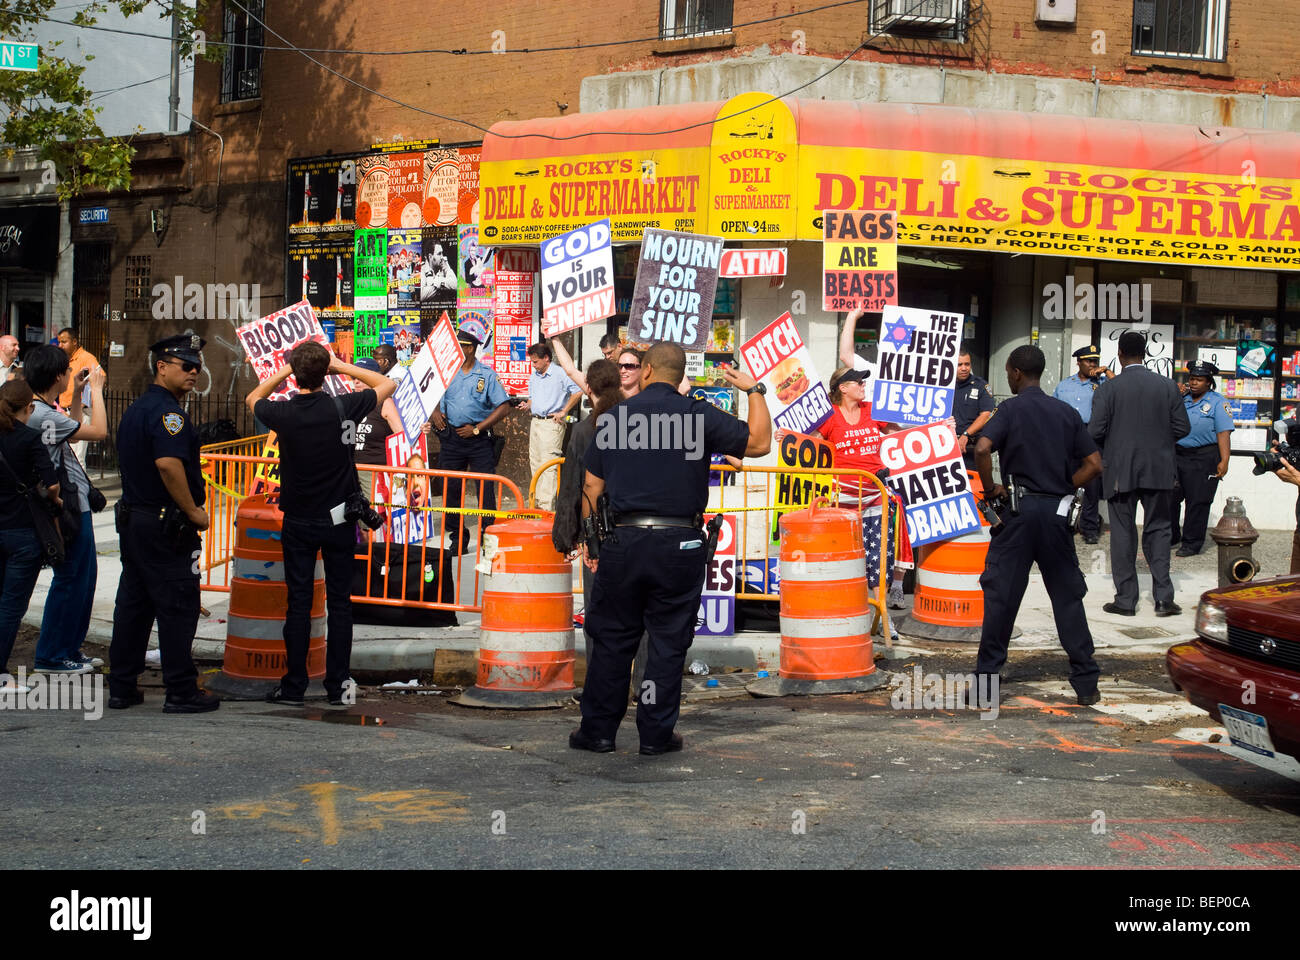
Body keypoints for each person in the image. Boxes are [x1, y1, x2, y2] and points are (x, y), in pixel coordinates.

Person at [571, 342, 771, 756]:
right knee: (666, 642)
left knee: (612, 641)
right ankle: (655, 735)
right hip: (679, 544)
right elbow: (758, 443)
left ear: (644, 371)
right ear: (679, 375)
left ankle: (598, 733)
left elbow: (592, 486)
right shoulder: (697, 416)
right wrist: (755, 391)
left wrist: (593, 542)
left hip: (623, 543)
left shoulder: (614, 419)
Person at [246, 342, 397, 706]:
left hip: (298, 519)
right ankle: (337, 686)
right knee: (340, 604)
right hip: (338, 519)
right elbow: (386, 384)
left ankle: (294, 685)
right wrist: (341, 367)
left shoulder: (284, 413)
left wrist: (286, 370)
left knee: (298, 603)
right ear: (325, 372)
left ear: (297, 376)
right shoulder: (342, 406)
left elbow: (253, 398)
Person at [972, 345, 1103, 705]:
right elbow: (1094, 465)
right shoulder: (1066, 412)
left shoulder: (1010, 408)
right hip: (1056, 515)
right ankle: (1086, 683)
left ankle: (985, 687)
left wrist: (990, 488)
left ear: (1015, 372)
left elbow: (982, 448)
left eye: (1008, 373)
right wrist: (1064, 487)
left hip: (1017, 513)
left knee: (1001, 599)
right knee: (1067, 599)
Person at [108, 335, 219, 712]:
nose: (194, 372)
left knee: (134, 605)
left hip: (136, 521)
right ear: (162, 366)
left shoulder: (137, 409)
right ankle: (181, 691)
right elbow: (168, 465)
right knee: (177, 606)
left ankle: (122, 686)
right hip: (164, 525)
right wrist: (193, 511)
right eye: (185, 365)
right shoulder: (169, 414)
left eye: (197, 366)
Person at [1089, 330, 1191, 617]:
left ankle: (1126, 600)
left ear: (1119, 354)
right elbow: (1183, 428)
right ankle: (1163, 599)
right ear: (1144, 354)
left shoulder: (1109, 389)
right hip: (1159, 469)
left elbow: (1095, 430)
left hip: (1120, 470)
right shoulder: (1168, 386)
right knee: (1159, 530)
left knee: (1123, 533)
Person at [26, 344, 107, 674]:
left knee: (82, 580)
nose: (69, 376)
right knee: (72, 579)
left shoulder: (42, 410)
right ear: (56, 375)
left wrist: (78, 394)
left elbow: (71, 433)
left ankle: (68, 649)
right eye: (66, 372)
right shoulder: (41, 414)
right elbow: (99, 432)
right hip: (68, 508)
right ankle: (52, 655)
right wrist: (97, 392)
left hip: (77, 504)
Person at [811, 366, 904, 635]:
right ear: (843, 388)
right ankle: (849, 611)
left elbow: (900, 436)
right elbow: (810, 444)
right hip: (843, 500)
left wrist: (939, 431)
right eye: (858, 382)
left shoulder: (873, 409)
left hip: (876, 495)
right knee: (845, 557)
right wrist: (788, 438)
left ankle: (882, 613)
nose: (864, 385)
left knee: (880, 556)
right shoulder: (830, 418)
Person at [551, 358, 622, 667]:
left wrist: (569, 538)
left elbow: (573, 488)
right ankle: (637, 683)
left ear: (589, 388)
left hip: (599, 534)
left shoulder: (584, 431)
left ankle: (600, 682)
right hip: (633, 530)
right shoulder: (636, 423)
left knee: (597, 612)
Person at [0, 379, 60, 693]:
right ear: (29, 407)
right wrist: (57, 499)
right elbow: (51, 485)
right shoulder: (30, 439)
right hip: (23, 531)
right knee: (10, 606)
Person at [429, 328, 511, 553]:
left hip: (478, 440)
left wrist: (477, 428)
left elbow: (504, 406)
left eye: (461, 346)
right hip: (451, 439)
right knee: (451, 490)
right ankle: (458, 538)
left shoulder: (486, 374)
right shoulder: (447, 372)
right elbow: (430, 393)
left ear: (470, 348)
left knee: (485, 491)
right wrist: (435, 411)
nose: (457, 350)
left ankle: (488, 537)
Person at [1170, 361, 1234, 557]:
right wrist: (1175, 395)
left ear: (1209, 382)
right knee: (1169, 497)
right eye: (1192, 379)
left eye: (1199, 379)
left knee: (1198, 501)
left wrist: (1225, 460)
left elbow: (1223, 433)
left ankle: (1191, 543)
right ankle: (1172, 536)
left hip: (1204, 456)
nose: (1194, 383)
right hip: (1178, 454)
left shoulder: (1217, 402)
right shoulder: (1182, 398)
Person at [1053, 344, 1111, 544]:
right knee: (1066, 480)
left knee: (1092, 485)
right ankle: (1063, 523)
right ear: (1079, 362)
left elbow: (1121, 389)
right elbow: (1054, 411)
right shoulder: (1064, 385)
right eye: (1088, 361)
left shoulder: (1103, 383)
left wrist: (1107, 372)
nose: (1092, 364)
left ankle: (1089, 527)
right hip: (1067, 436)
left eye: (1095, 361)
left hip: (1092, 435)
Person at [519, 341, 581, 511]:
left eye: (535, 361)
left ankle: (547, 506)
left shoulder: (560, 373)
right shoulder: (535, 375)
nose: (533, 365)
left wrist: (564, 411)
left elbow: (578, 390)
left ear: (546, 358)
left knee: (549, 465)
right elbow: (533, 397)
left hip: (552, 423)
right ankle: (537, 501)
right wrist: (528, 405)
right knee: (535, 462)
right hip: (536, 421)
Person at [350, 357, 405, 466]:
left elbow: (402, 436)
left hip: (376, 472)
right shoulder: (349, 402)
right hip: (350, 470)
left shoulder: (385, 402)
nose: (356, 381)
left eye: (361, 377)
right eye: (353, 377)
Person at [56, 327, 99, 465]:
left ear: (74, 341)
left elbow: (97, 381)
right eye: (59, 342)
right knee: (67, 456)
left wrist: (81, 405)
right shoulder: (65, 360)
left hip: (79, 413)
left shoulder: (86, 358)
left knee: (77, 457)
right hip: (64, 412)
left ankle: (80, 487)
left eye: (64, 342)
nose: (60, 345)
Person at [953, 345, 996, 470]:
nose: (964, 368)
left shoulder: (980, 386)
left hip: (970, 450)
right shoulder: (943, 386)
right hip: (946, 449)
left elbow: (987, 414)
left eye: (967, 364)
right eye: (959, 365)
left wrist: (966, 435)